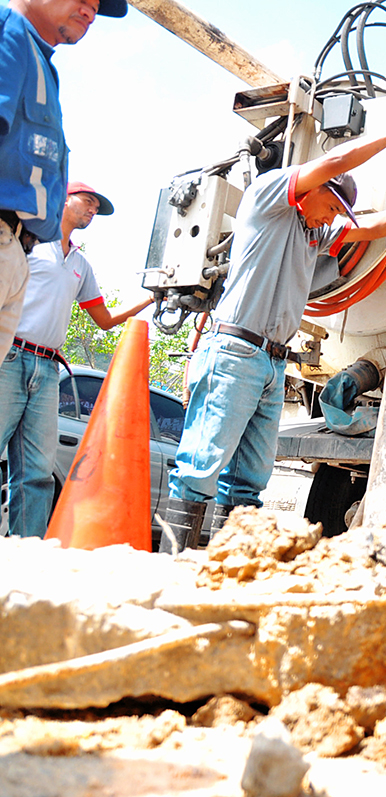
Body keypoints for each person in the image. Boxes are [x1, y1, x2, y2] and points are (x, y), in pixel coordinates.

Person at [162, 112, 386, 553]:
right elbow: (336, 162)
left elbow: (374, 228)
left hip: (270, 363)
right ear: (312, 188)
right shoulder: (268, 200)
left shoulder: (312, 232)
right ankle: (171, 565)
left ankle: (225, 568)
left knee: (248, 483)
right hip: (235, 352)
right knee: (200, 466)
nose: (332, 219)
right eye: (333, 206)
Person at [0, 181, 152, 538]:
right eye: (88, 202)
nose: (92, 210)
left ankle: (26, 555)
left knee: (37, 471)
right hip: (11, 357)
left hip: (48, 368)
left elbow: (105, 321)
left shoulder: (81, 264)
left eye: (97, 208)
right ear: (63, 200)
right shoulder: (29, 245)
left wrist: (150, 299)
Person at [0, 0, 128, 362]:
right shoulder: (8, 31)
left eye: (95, 7)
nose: (90, 12)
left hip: (17, 245)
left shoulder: (39, 62)